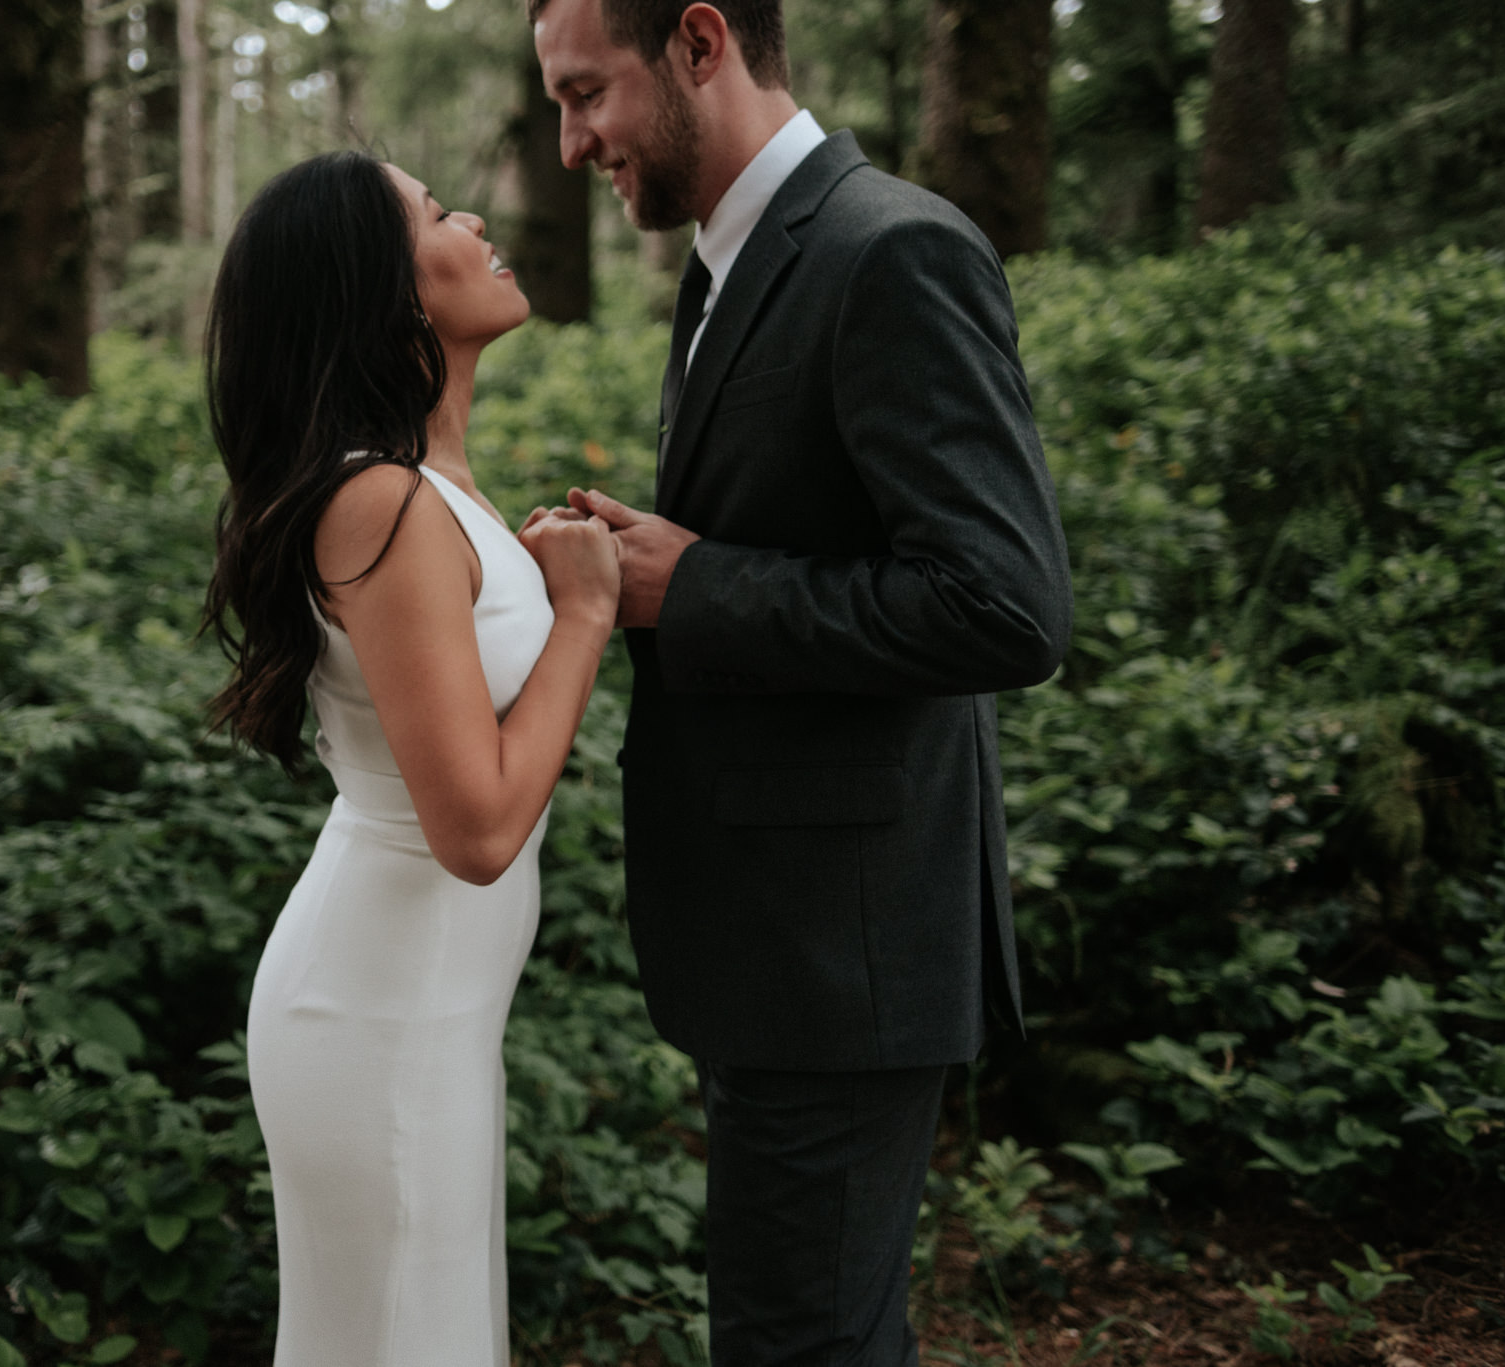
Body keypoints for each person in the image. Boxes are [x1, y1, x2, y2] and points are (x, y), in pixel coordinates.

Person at [527, 0, 1074, 1362]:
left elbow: (1004, 606)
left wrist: (689, 586)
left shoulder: (891, 251)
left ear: (699, 42)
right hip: (782, 944)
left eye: (586, 92)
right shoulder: (732, 260)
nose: (568, 140)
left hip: (849, 953)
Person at [201, 151, 621, 1366]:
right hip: (378, 1008)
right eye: (434, 214)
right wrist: (582, 618)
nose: (474, 217)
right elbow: (478, 828)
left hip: (429, 1004)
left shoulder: (429, 488)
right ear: (381, 292)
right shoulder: (376, 501)